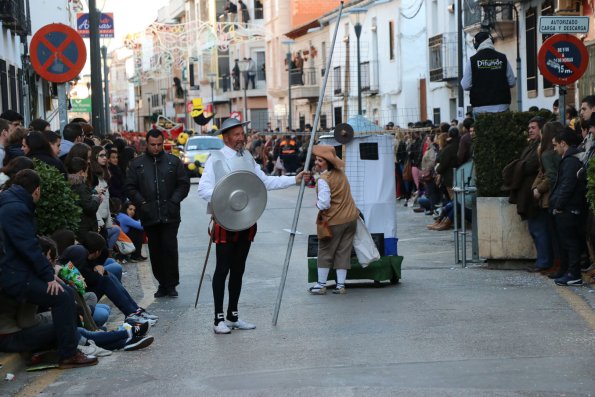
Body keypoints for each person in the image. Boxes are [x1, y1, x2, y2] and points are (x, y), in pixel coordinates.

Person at [197, 117, 308, 334]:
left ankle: (233, 315)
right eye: (237, 134)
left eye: (242, 134)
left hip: (246, 220)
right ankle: (218, 319)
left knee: (238, 270)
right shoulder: (215, 159)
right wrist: (226, 197)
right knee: (222, 270)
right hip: (225, 221)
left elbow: (264, 182)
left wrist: (293, 179)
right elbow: (203, 190)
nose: (241, 138)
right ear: (227, 138)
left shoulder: (247, 157)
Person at [0, 169, 97, 368]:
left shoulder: (10, 203)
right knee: (63, 296)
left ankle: (71, 349)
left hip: (14, 272)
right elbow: (27, 246)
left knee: (64, 294)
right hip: (13, 275)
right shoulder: (16, 208)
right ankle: (69, 354)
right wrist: (47, 275)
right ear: (36, 191)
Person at [125, 129, 190, 298]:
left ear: (163, 143)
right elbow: (130, 187)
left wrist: (174, 201)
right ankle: (162, 283)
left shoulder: (173, 162)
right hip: (149, 214)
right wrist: (142, 203)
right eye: (153, 145)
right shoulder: (137, 164)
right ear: (147, 144)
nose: (156, 148)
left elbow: (183, 184)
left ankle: (171, 284)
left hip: (170, 213)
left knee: (169, 247)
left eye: (159, 144)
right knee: (155, 249)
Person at [308, 145, 359, 295]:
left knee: (325, 251)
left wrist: (317, 203)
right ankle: (340, 285)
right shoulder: (341, 174)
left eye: (320, 160)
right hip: (350, 219)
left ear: (328, 162)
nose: (317, 163)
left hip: (334, 221)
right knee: (343, 252)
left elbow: (324, 203)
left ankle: (321, 284)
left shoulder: (324, 179)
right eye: (316, 160)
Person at [549, 128, 587, 286]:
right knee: (567, 242)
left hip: (569, 208)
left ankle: (573, 274)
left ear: (563, 143)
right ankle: (568, 272)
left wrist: (558, 205)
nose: (554, 148)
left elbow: (567, 186)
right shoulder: (571, 160)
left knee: (570, 242)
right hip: (569, 207)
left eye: (556, 145)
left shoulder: (570, 161)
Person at [530, 121, 562, 274]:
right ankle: (558, 264)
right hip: (557, 196)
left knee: (554, 234)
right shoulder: (555, 152)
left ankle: (557, 265)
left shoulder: (547, 154)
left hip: (550, 198)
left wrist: (537, 189)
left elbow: (549, 175)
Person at [460, 31, 516, 113]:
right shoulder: (502, 58)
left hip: (480, 107)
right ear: (491, 42)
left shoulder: (472, 60)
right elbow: (512, 82)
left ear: (476, 44)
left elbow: (465, 85)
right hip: (502, 106)